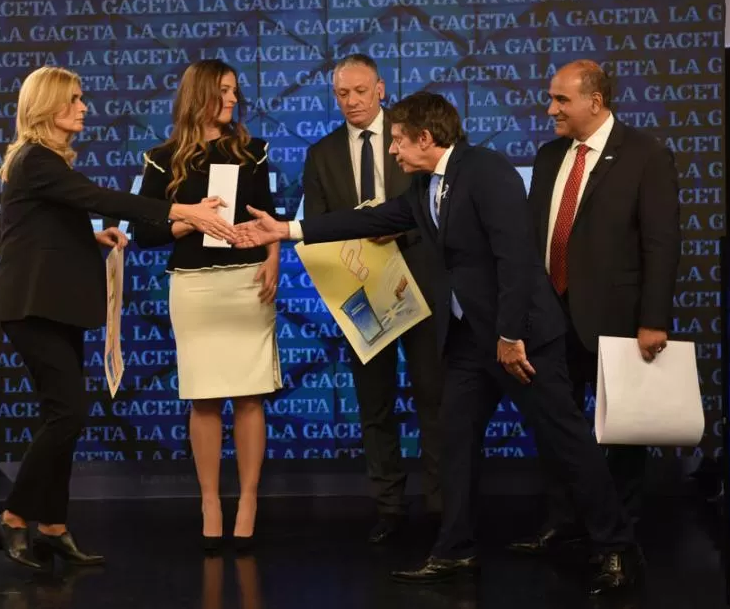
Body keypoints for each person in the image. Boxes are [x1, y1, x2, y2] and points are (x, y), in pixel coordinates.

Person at [233, 91, 639, 595]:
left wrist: (511, 335)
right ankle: (456, 550)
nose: (393, 151)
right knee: (455, 440)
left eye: (399, 141)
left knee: (568, 441)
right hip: (469, 340)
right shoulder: (428, 184)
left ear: (426, 138)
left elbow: (515, 259)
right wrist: (288, 230)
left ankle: (616, 547)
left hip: (521, 336)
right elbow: (373, 219)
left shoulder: (486, 171)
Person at [0, 65, 235, 569]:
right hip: (32, 309)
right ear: (47, 106)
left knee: (65, 417)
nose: (83, 107)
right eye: (74, 99)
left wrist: (91, 237)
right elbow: (102, 199)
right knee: (68, 414)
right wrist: (183, 212)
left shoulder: (46, 163)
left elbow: (53, 222)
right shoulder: (35, 160)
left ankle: (53, 526)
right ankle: (13, 518)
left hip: (53, 307)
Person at [509, 60, 681, 554]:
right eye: (552, 99)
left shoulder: (645, 156)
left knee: (621, 432)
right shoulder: (548, 157)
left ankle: (619, 536)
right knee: (556, 426)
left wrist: (653, 320)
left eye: (561, 100)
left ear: (595, 102)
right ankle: (564, 520)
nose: (551, 109)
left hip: (618, 321)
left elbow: (661, 244)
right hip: (549, 317)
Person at [133, 59, 281, 552]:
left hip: (246, 280)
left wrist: (275, 259)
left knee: (249, 394)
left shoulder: (253, 152)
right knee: (204, 396)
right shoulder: (161, 158)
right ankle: (211, 502)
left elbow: (271, 218)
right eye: (224, 90)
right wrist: (190, 222)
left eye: (236, 90)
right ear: (200, 95)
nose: (234, 99)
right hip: (194, 287)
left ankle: (250, 501)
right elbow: (145, 232)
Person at [302, 54, 442, 543]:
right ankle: (389, 507)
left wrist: (393, 230)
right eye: (342, 93)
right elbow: (316, 227)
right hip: (360, 291)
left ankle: (443, 506)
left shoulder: (414, 136)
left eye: (360, 91)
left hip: (421, 282)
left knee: (434, 399)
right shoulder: (321, 154)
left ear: (381, 89)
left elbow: (433, 206)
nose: (351, 102)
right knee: (375, 406)